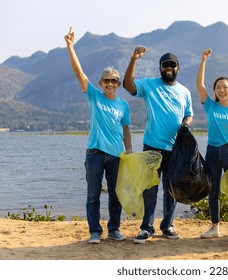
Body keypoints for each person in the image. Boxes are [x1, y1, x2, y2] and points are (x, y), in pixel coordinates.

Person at [64, 27, 132, 244]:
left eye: (114, 81)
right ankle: (95, 232)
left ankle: (114, 229)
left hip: (116, 155)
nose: (110, 84)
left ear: (118, 85)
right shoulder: (94, 95)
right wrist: (70, 46)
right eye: (106, 80)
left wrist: (128, 149)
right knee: (93, 195)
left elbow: (126, 129)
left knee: (116, 195)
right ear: (101, 83)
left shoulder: (123, 105)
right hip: (94, 153)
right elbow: (79, 72)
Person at [123, 46, 193, 244]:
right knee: (149, 189)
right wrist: (133, 59)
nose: (169, 68)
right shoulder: (149, 85)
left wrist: (185, 124)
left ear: (178, 68)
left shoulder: (184, 91)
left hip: (175, 148)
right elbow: (128, 86)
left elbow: (188, 114)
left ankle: (167, 226)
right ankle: (146, 228)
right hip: (152, 147)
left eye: (172, 65)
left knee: (171, 189)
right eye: (165, 65)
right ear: (160, 68)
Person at [196, 49, 228, 238]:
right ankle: (215, 227)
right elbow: (199, 84)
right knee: (213, 190)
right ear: (215, 91)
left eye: (225, 87)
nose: (221, 90)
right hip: (212, 152)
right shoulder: (211, 106)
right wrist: (203, 61)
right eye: (218, 87)